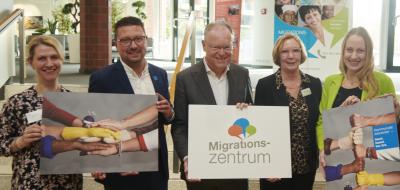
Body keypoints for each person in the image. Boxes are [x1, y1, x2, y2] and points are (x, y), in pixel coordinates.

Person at [88, 16, 174, 190]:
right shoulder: (102, 78)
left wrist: (168, 112)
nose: (133, 45)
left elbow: (166, 119)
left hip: (155, 165)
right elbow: (95, 124)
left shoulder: (160, 75)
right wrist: (97, 162)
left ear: (146, 40)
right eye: (125, 40)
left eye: (138, 39)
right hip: (120, 167)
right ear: (116, 43)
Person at [0, 36, 96, 189]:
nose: (49, 63)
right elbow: (2, 144)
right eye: (42, 58)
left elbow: (85, 144)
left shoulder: (76, 101)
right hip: (29, 182)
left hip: (68, 183)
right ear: (31, 62)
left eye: (54, 57)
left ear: (61, 60)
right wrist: (20, 141)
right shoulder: (17, 102)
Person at [171, 21, 253, 190]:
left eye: (226, 47)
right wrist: (187, 157)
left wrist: (248, 111)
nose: (222, 53)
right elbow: (179, 126)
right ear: (204, 45)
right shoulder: (185, 79)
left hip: (235, 166)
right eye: (215, 47)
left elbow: (252, 115)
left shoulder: (242, 74)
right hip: (200, 167)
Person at [316, 27, 396, 175]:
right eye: (349, 50)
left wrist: (368, 110)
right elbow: (322, 121)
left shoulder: (383, 81)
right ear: (343, 52)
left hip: (373, 162)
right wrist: (323, 148)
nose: (353, 56)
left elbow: (392, 124)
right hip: (338, 158)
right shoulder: (330, 82)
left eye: (360, 51)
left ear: (369, 53)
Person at [254, 33, 322, 189]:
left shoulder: (314, 84)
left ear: (301, 54)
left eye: (295, 51)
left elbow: (319, 121)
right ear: (278, 55)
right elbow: (259, 127)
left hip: (306, 165)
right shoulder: (265, 86)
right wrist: (265, 166)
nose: (291, 56)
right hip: (274, 166)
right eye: (285, 52)